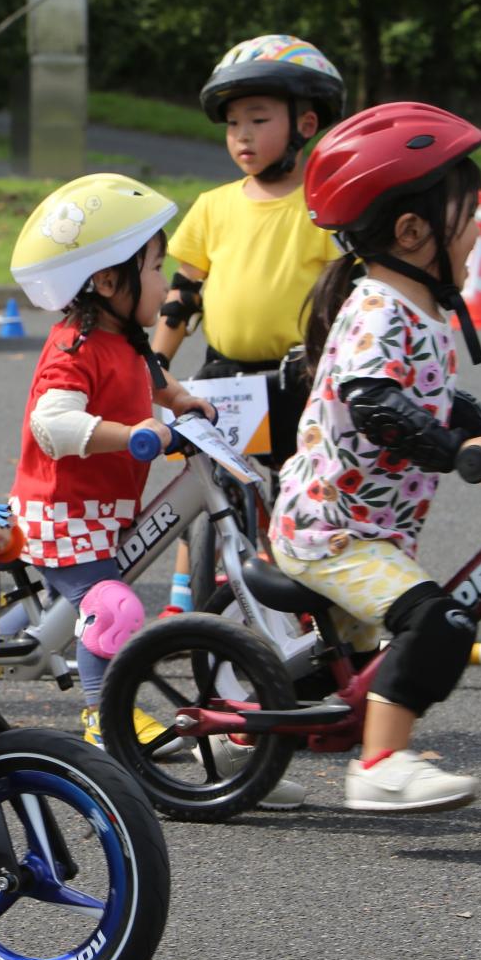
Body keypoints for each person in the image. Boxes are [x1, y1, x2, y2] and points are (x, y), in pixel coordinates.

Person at [270, 102, 481, 812]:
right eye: (468, 222)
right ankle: (381, 763)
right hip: (329, 531)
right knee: (440, 622)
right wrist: (460, 453)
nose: (476, 236)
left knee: (366, 659)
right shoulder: (376, 309)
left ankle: (274, 736)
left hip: (369, 529)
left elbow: (436, 396)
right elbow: (376, 404)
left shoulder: (419, 310)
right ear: (411, 231)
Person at [0, 175, 291, 798]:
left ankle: (8, 634)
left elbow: (152, 375)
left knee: (72, 601)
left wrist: (182, 401)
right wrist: (135, 435)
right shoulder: (74, 348)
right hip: (61, 511)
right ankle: (104, 715)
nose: (165, 284)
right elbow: (51, 422)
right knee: (111, 604)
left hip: (100, 510)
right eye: (155, 267)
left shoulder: (124, 338)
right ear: (107, 281)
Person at [153, 35, 346, 617]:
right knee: (204, 488)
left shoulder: (323, 205)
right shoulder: (214, 205)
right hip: (223, 373)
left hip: (298, 375)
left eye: (259, 119)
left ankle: (293, 596)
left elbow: (345, 294)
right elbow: (182, 295)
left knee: (297, 488)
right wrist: (156, 365)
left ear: (305, 123)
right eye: (233, 122)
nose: (242, 134)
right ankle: (184, 602)